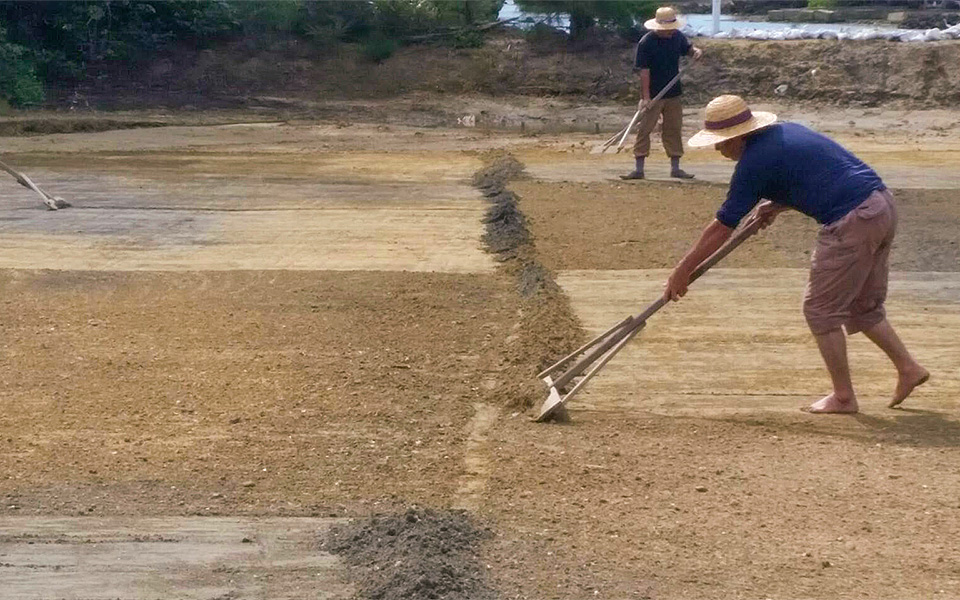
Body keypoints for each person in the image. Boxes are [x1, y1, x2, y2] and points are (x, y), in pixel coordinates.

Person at [663, 94, 929, 414]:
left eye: (722, 142)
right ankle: (908, 369)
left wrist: (683, 269)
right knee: (863, 305)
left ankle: (843, 397)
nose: (719, 149)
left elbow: (723, 226)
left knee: (820, 311)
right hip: (879, 206)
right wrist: (777, 204)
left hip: (853, 221)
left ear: (741, 136)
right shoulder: (786, 132)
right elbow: (821, 174)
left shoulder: (754, 163)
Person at [621, 6, 702, 181]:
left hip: (673, 92)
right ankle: (639, 169)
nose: (670, 32)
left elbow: (688, 49)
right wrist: (646, 97)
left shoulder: (677, 37)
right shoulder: (646, 43)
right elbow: (644, 72)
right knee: (645, 129)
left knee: (673, 129)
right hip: (653, 94)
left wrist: (695, 52)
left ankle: (676, 167)